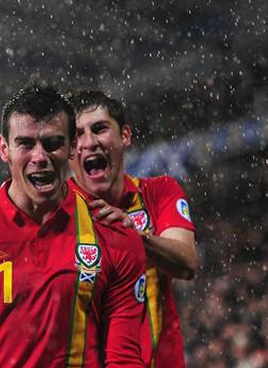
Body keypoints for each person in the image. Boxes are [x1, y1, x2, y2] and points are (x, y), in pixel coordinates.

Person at [0, 84, 147, 367]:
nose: (39, 157)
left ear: (73, 147)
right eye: (26, 144)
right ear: (4, 149)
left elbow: (124, 360)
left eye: (53, 143)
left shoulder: (115, 236)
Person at [67, 90, 198, 368]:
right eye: (77, 135)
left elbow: (186, 264)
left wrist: (134, 239)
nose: (88, 142)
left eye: (99, 128)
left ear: (125, 136)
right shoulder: (56, 212)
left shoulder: (159, 192)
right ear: (67, 150)